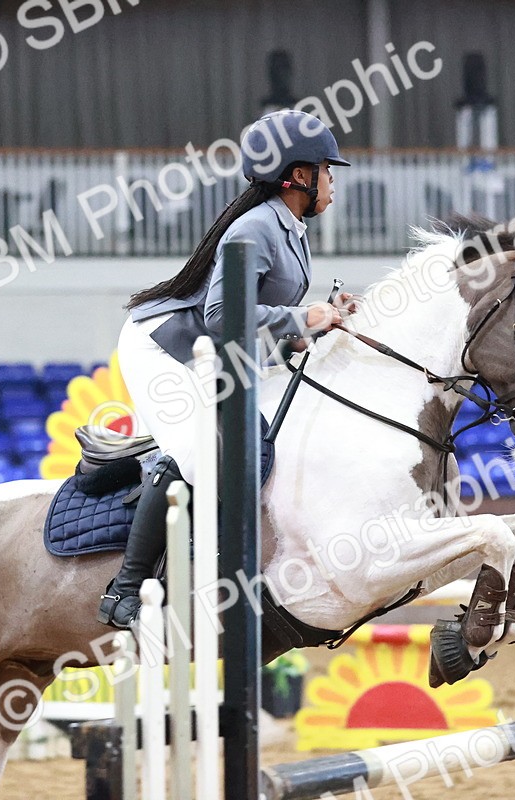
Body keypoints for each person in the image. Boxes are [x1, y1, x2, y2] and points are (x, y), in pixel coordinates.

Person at [97, 109, 355, 630]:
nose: (332, 180)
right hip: (164, 346)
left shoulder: (289, 227)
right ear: (299, 176)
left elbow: (254, 321)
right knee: (195, 450)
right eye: (328, 169)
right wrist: (301, 316)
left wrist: (314, 325)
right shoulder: (258, 226)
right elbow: (220, 317)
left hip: (209, 350)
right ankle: (124, 591)